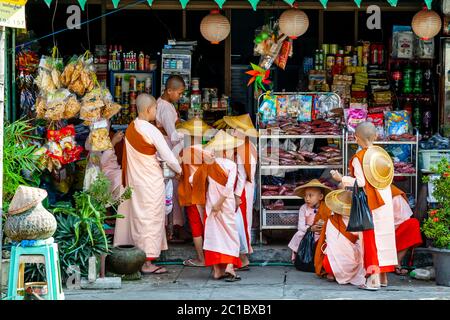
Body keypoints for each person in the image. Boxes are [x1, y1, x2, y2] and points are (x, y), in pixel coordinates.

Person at [116, 93, 182, 274]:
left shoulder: (131, 127)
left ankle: (138, 258)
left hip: (135, 182)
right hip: (151, 182)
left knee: (139, 219)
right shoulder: (151, 130)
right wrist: (180, 171)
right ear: (148, 110)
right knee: (151, 221)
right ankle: (147, 263)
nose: (156, 112)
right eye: (155, 109)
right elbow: (168, 155)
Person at [330, 122, 397, 290]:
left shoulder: (359, 158)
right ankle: (383, 277)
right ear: (376, 137)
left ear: (356, 138)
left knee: (371, 240)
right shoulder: (382, 155)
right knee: (385, 238)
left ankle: (373, 279)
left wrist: (341, 179)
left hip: (370, 204)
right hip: (385, 201)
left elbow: (360, 183)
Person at [196, 130, 242, 281]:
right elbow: (229, 188)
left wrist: (214, 204)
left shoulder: (209, 164)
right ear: (226, 150)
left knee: (213, 235)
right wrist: (220, 203)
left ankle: (217, 270)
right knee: (230, 233)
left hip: (211, 204)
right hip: (226, 203)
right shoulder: (231, 165)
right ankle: (229, 266)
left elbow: (192, 179)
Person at [177, 118, 215, 267]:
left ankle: (201, 258)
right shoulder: (210, 151)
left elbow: (178, 172)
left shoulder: (185, 151)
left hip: (192, 193)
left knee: (196, 226)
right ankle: (213, 256)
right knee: (209, 223)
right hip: (209, 193)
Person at [223, 114, 258, 271]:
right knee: (241, 222)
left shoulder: (244, 149)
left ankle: (242, 257)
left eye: (235, 129)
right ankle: (241, 256)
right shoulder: (248, 146)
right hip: (245, 188)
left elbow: (242, 175)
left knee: (240, 223)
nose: (231, 131)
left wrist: (236, 196)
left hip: (242, 190)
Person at [156, 75, 187, 241]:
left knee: (168, 190)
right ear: (169, 91)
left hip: (164, 150)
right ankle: (175, 227)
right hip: (170, 151)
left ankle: (170, 228)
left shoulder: (160, 102)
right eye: (179, 93)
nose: (180, 96)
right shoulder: (167, 108)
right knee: (174, 189)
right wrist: (187, 135)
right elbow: (173, 134)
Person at [314, 189, 366, 286]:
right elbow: (362, 243)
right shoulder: (359, 222)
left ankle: (332, 273)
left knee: (329, 250)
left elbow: (326, 240)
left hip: (330, 265)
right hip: (353, 264)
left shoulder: (331, 220)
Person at [287, 179, 332, 263]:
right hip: (308, 231)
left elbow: (332, 223)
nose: (307, 199)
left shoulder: (326, 208)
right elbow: (301, 227)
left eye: (310, 195)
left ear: (320, 197)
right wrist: (311, 229)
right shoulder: (303, 208)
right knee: (299, 234)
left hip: (321, 233)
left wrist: (323, 226)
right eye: (305, 195)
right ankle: (298, 256)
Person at [391, 184, 423, 275]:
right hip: (376, 231)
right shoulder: (366, 191)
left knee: (412, 224)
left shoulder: (395, 196)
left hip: (393, 230)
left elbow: (404, 219)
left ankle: (397, 262)